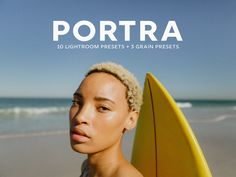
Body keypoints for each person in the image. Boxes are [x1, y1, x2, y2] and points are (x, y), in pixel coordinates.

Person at [69, 62, 143, 177]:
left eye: (103, 108)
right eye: (77, 102)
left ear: (131, 120)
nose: (80, 117)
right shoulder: (87, 167)